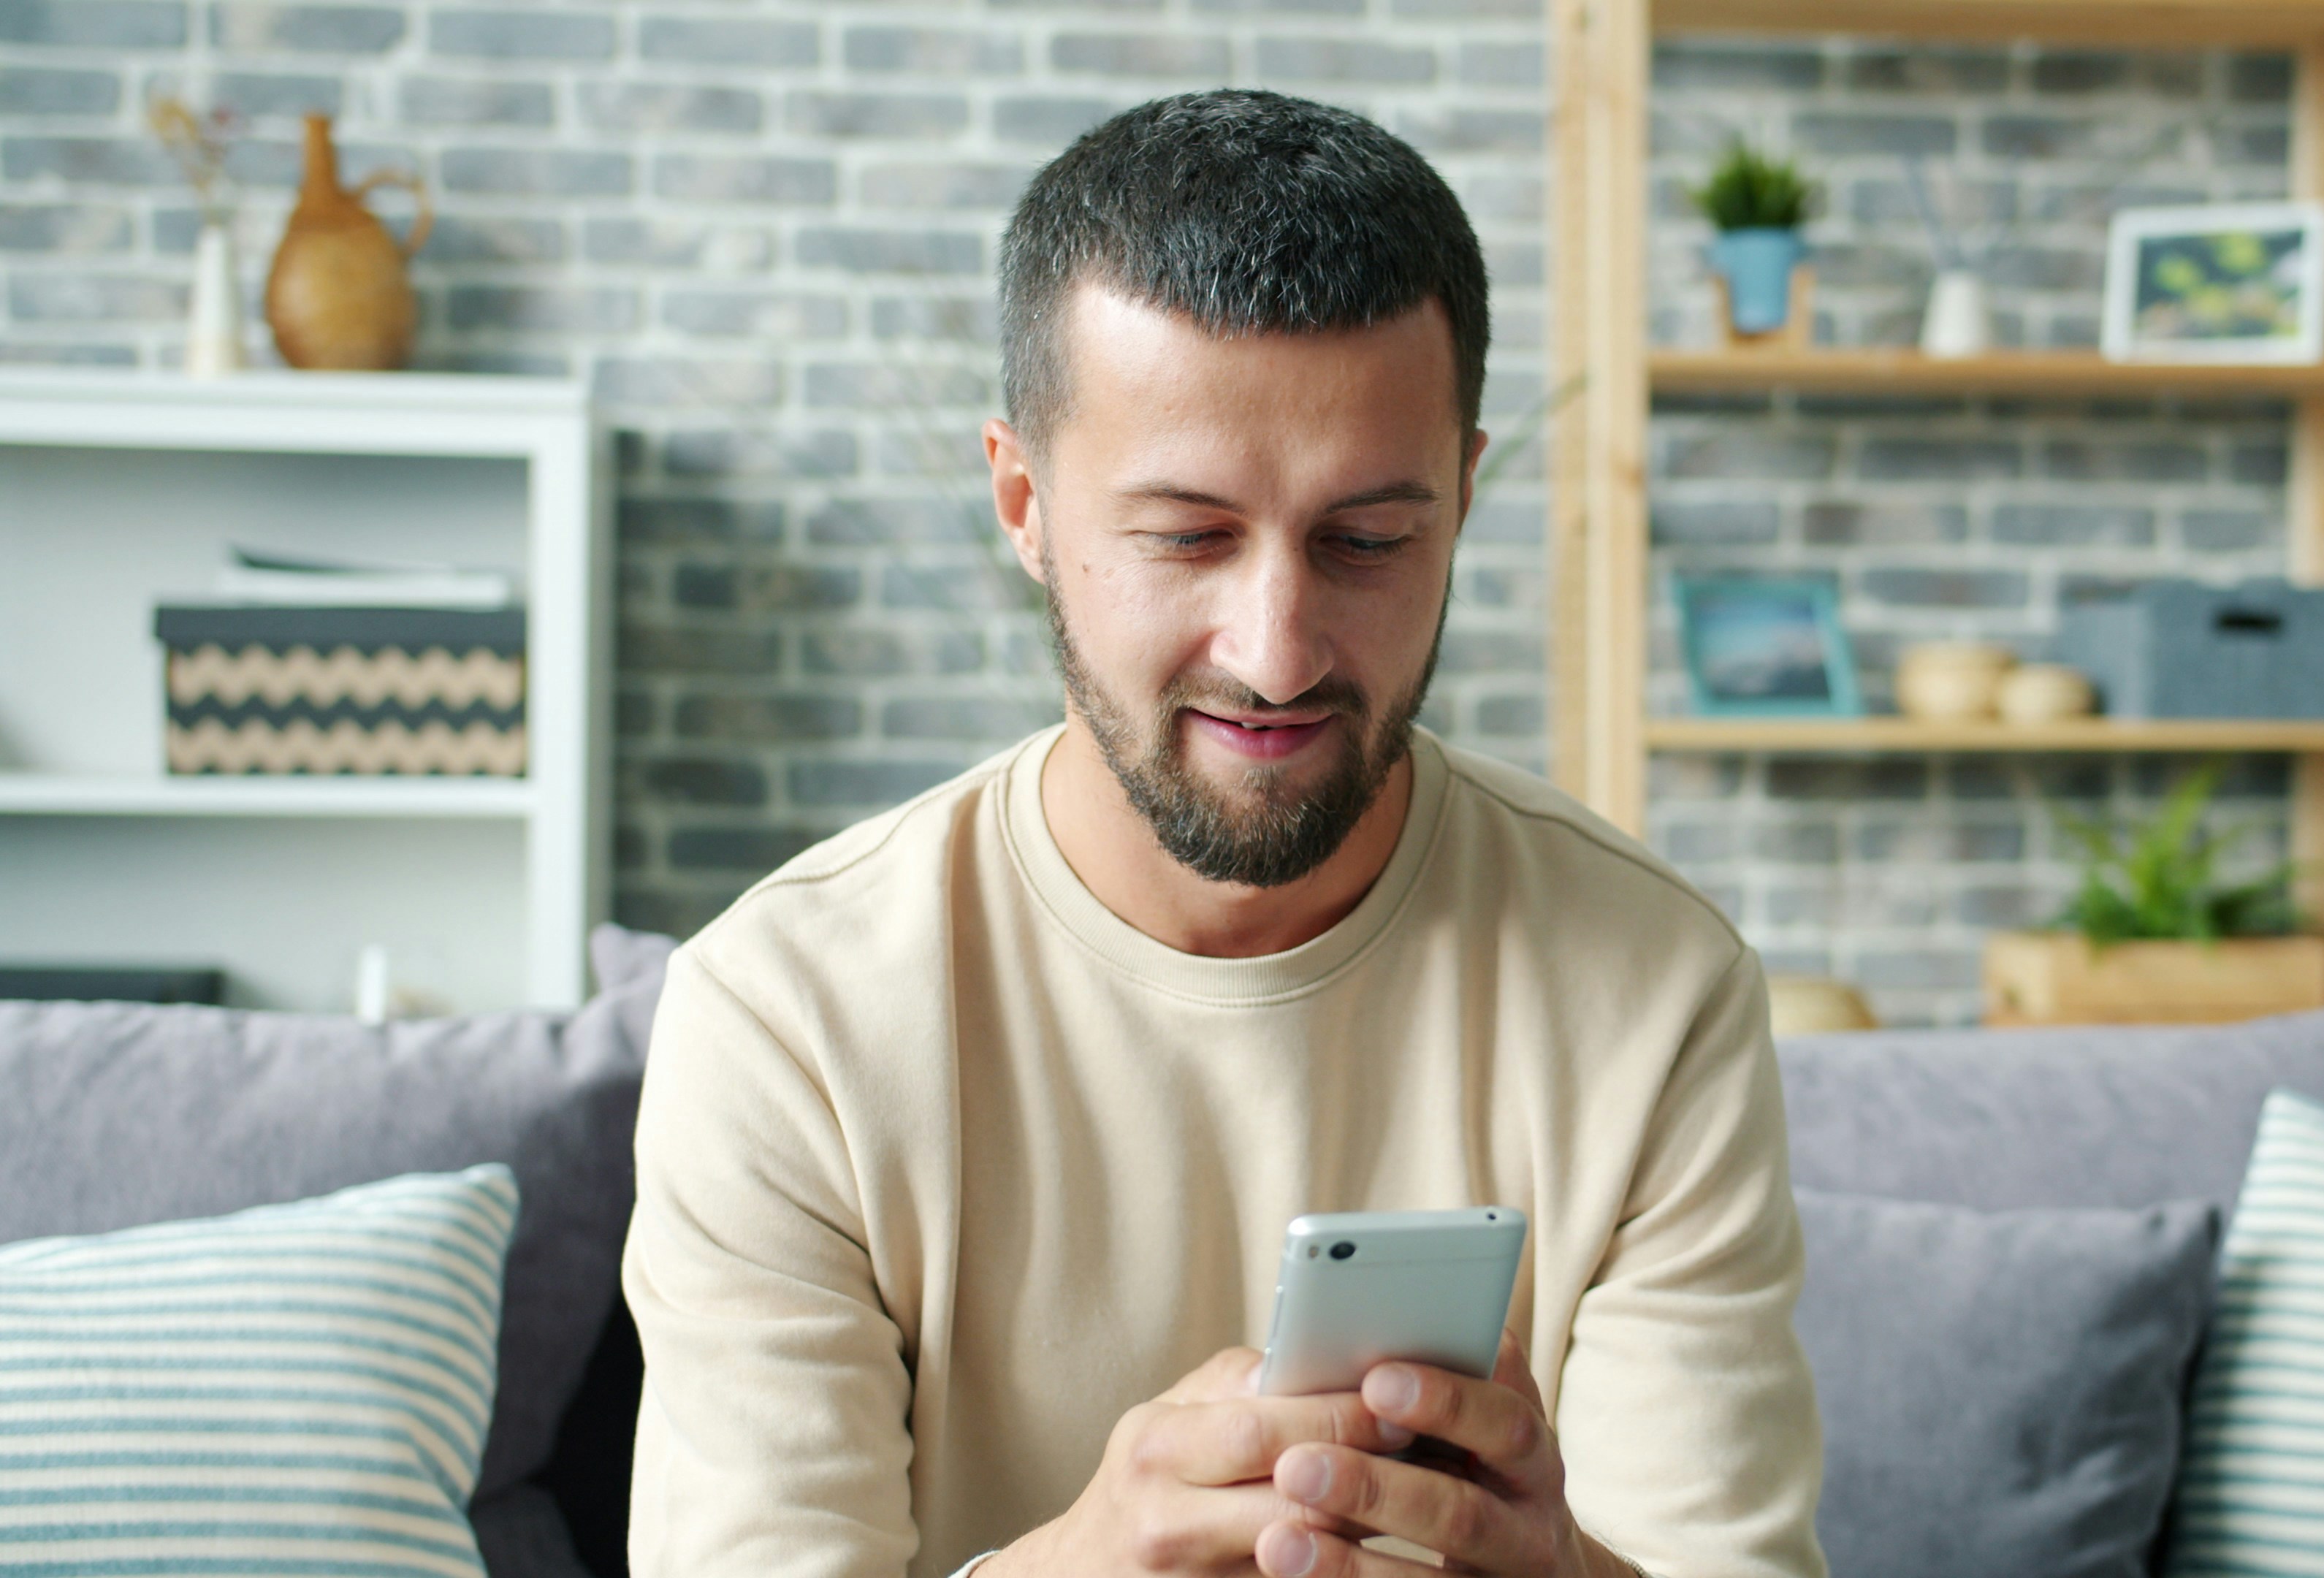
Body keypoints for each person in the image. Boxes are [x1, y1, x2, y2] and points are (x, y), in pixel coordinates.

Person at [622, 88, 1826, 1578]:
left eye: (1369, 540)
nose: (1276, 650)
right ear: (1023, 500)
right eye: (1187, 535)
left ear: (1462, 499)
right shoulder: (787, 1014)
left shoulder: (1654, 992)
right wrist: (1084, 1563)